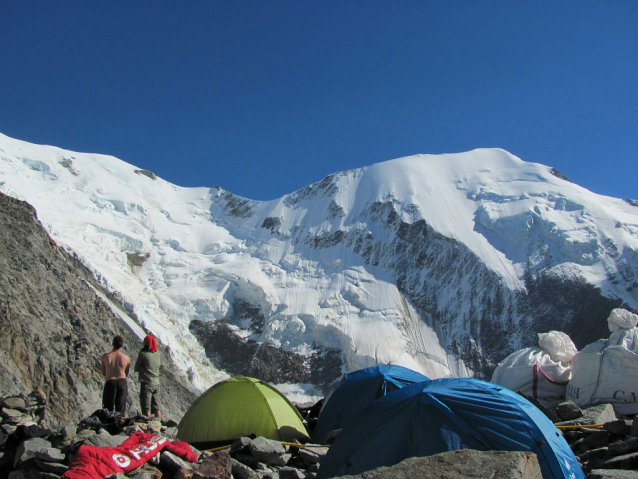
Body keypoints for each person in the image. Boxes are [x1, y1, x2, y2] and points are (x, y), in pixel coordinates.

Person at [100, 335, 130, 415]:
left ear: (113, 343)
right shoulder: (126, 358)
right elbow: (126, 372)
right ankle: (119, 423)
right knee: (120, 408)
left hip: (110, 382)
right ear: (122, 345)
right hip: (122, 382)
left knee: (107, 407)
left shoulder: (106, 357)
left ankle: (107, 424)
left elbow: (103, 372)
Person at [134, 334, 161, 419]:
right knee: (156, 407)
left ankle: (148, 425)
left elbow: (137, 367)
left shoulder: (143, 354)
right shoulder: (157, 354)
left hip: (147, 383)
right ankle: (158, 424)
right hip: (156, 383)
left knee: (146, 407)